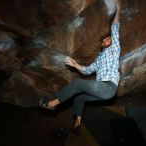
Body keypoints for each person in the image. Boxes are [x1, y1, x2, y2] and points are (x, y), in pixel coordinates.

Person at [40, 0, 121, 132]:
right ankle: (77, 122)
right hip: (104, 92)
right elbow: (87, 71)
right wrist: (76, 64)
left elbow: (115, 26)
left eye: (108, 38)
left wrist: (118, 8)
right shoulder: (99, 59)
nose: (106, 40)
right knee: (79, 97)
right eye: (104, 40)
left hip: (109, 87)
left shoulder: (115, 48)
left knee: (77, 84)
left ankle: (51, 104)